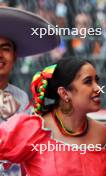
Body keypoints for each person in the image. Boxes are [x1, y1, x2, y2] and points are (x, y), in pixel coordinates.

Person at [0, 58, 106, 175]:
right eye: (88, 81)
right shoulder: (33, 129)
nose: (98, 88)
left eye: (97, 81)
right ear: (64, 93)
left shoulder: (103, 133)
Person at [0, 6, 60, 175]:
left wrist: (15, 120)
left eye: (5, 48)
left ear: (14, 56)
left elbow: (29, 148)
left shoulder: (21, 96)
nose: (0, 54)